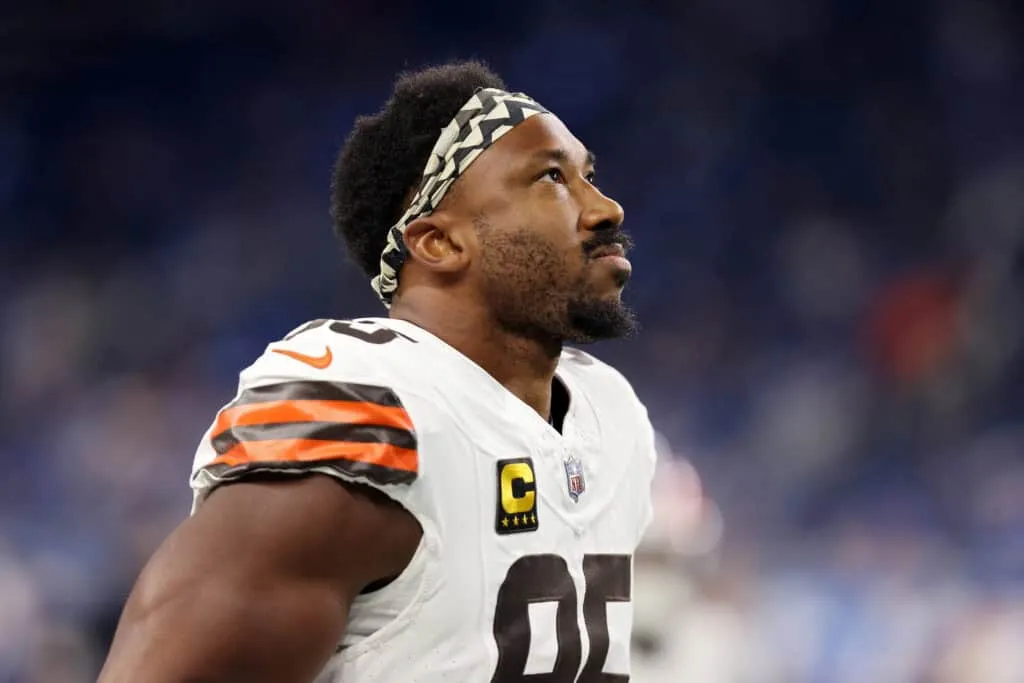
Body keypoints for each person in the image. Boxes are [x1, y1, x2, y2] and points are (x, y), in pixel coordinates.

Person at [98, 59, 657, 683]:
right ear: (438, 243)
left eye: (589, 176)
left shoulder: (611, 415)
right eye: (552, 178)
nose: (606, 208)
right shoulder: (377, 412)